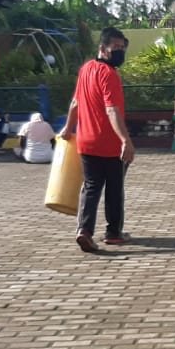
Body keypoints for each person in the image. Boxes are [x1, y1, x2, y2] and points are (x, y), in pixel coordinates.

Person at [63, 26, 135, 252]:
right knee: (114, 189)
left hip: (86, 142)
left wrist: (67, 129)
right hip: (110, 144)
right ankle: (113, 232)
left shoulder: (86, 69)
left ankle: (84, 230)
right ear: (103, 49)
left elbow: (75, 103)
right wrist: (125, 140)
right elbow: (112, 109)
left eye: (122, 48)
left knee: (91, 187)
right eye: (116, 47)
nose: (120, 52)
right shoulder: (109, 74)